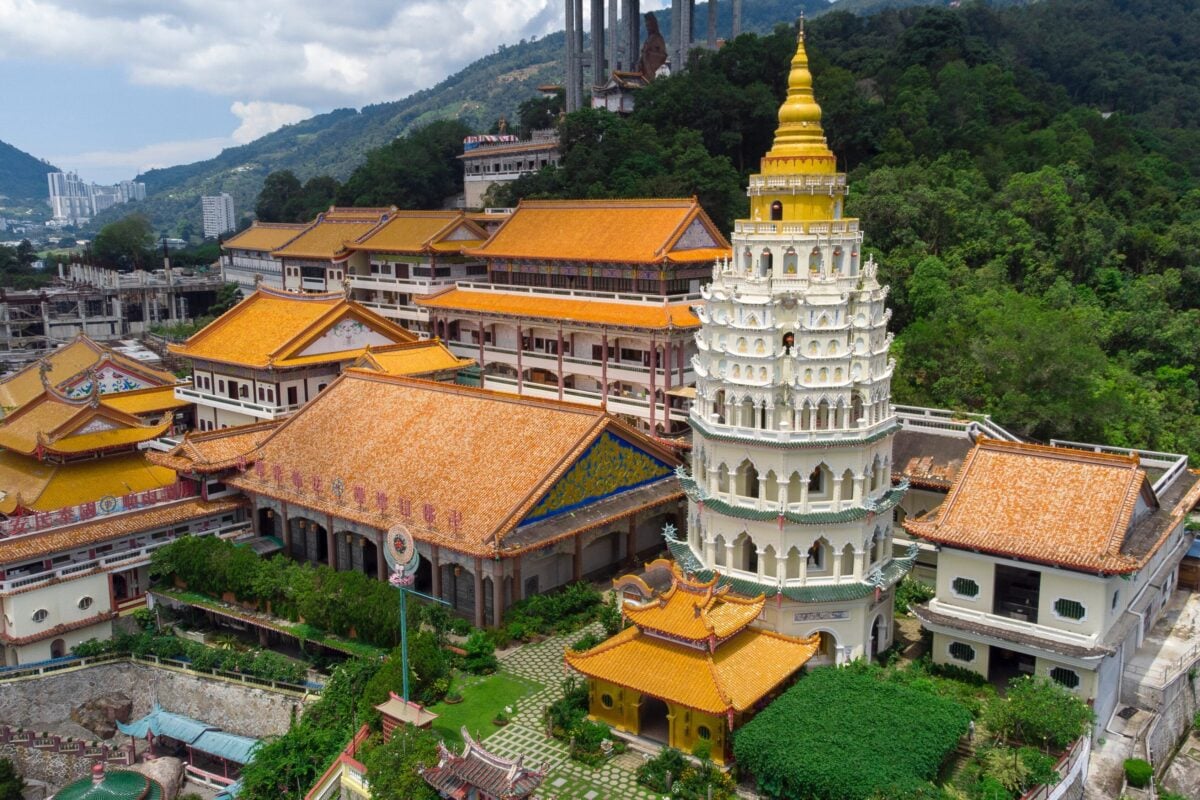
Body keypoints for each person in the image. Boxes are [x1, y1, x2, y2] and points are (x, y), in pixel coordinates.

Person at [638, 12, 668, 80]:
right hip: (644, 72)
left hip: (652, 72)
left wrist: (648, 54)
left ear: (653, 24)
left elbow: (662, 55)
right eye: (646, 24)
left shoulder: (658, 39)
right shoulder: (648, 39)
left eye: (649, 24)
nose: (647, 26)